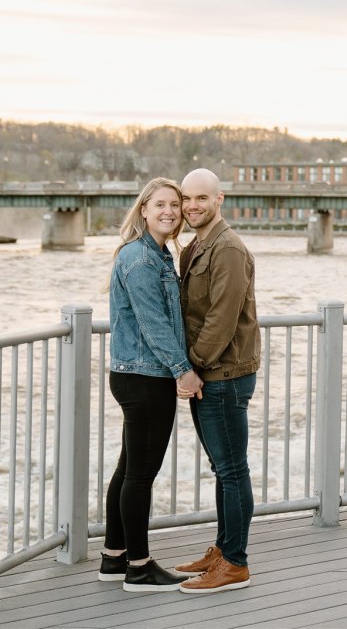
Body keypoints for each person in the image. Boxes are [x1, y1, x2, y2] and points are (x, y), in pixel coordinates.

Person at [100, 177, 204, 592]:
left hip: (137, 374)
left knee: (129, 468)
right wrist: (183, 369)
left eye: (175, 205)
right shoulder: (141, 259)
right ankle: (139, 567)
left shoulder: (157, 254)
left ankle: (113, 556)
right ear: (143, 209)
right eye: (160, 204)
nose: (170, 211)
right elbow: (153, 323)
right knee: (141, 474)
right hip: (146, 377)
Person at [175, 168, 261, 594]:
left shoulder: (226, 249)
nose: (192, 206)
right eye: (187, 198)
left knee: (231, 470)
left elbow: (221, 319)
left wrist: (189, 368)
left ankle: (236, 563)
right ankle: (222, 550)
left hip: (223, 374)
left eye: (201, 198)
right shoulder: (198, 245)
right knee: (222, 469)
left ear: (219, 199)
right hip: (210, 374)